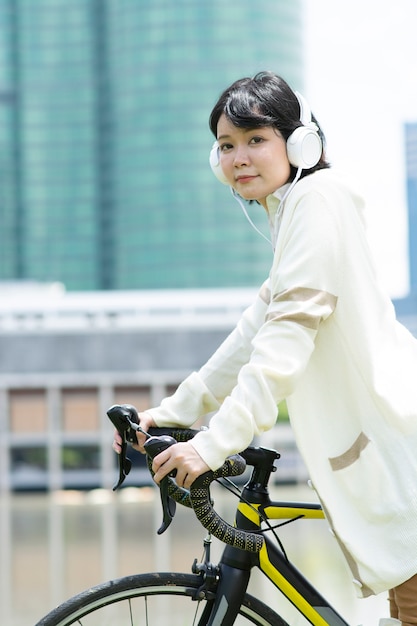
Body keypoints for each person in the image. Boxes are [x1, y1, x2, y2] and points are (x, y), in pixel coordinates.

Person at [113, 71, 417, 624]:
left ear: (298, 142)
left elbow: (286, 337)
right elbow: (251, 335)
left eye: (256, 139)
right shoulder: (295, 213)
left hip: (400, 446)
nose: (239, 157)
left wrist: (213, 444)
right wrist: (169, 413)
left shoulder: (319, 199)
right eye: (228, 145)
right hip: (390, 451)